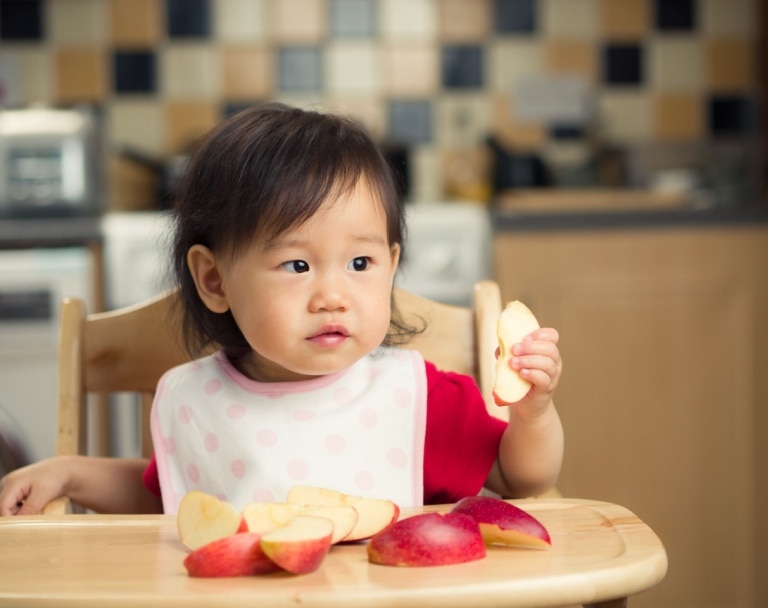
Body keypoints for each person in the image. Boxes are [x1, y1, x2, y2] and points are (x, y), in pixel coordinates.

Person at [0, 103, 564, 516]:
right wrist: (71, 471)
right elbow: (166, 493)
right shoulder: (194, 400)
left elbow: (521, 477)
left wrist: (533, 414)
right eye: (297, 267)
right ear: (215, 280)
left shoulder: (417, 397)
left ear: (392, 265)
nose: (332, 296)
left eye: (360, 264)